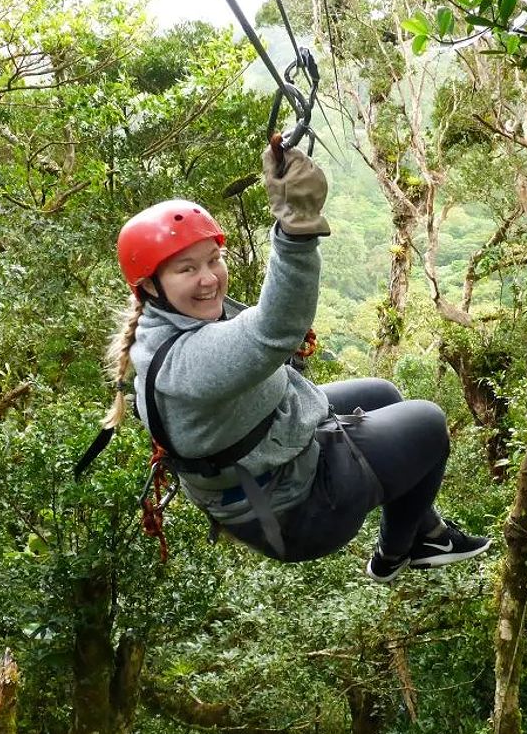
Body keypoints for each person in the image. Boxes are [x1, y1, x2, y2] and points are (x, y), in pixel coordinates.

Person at [101, 145, 490, 582]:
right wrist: (296, 229)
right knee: (428, 423)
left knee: (382, 394)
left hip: (269, 456)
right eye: (186, 269)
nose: (209, 278)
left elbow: (262, 330)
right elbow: (273, 331)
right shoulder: (184, 363)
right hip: (293, 512)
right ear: (149, 287)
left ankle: (425, 533)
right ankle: (397, 553)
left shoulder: (176, 319)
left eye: (214, 260)